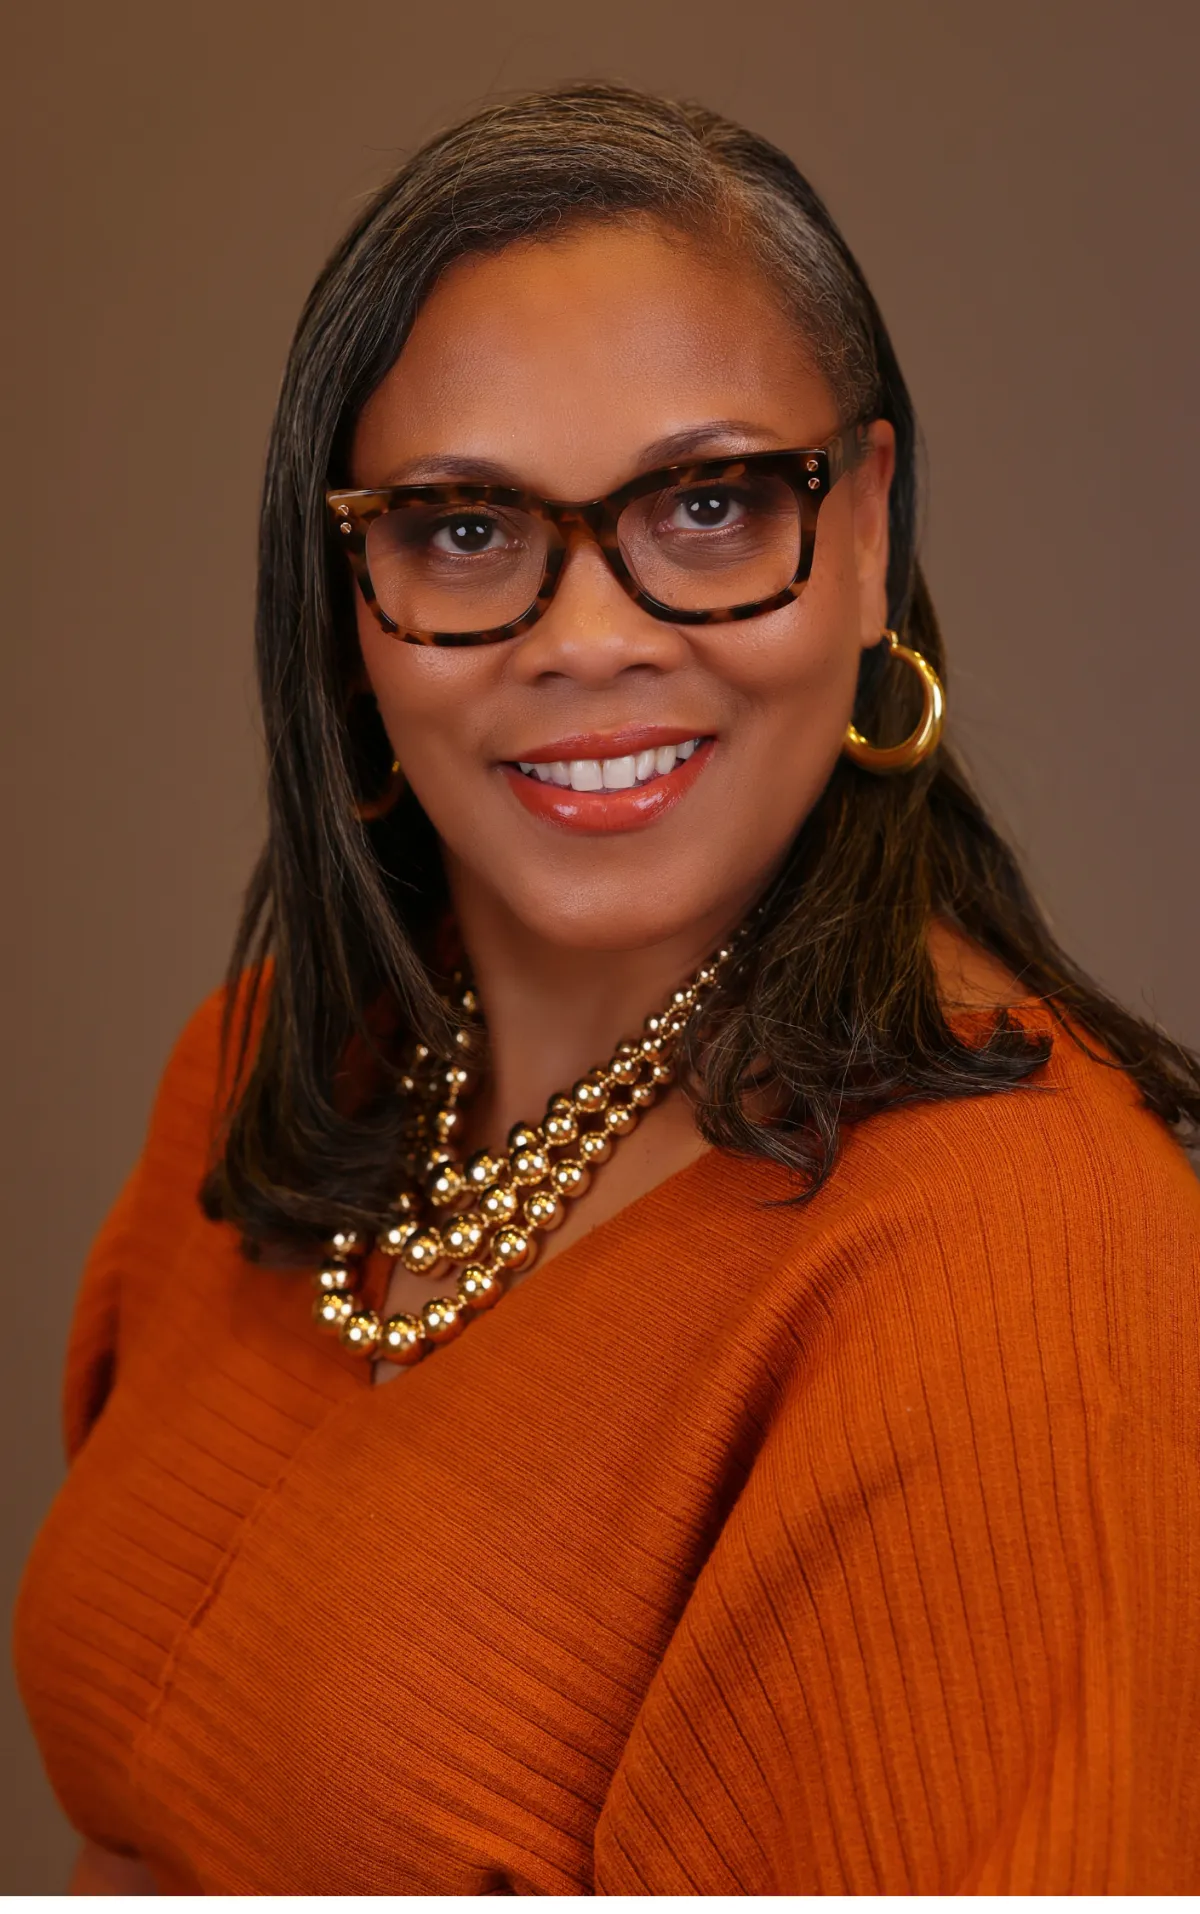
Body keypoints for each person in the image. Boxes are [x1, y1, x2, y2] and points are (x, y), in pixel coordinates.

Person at [13, 82, 1200, 1896]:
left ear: (869, 529)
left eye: (711, 503)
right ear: (349, 596)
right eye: (468, 529)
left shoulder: (1018, 1266)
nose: (591, 637)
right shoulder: (267, 1074)